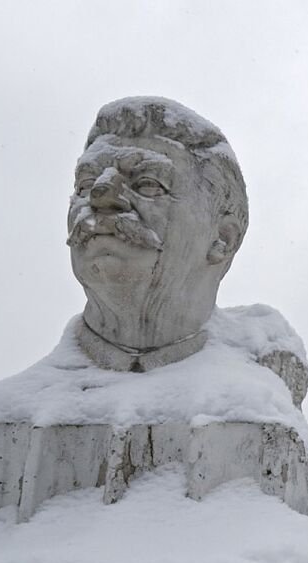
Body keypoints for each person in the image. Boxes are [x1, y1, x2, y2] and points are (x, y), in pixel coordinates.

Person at [68, 97, 249, 371]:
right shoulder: (11, 409)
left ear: (223, 238)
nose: (100, 196)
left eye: (148, 184)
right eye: (86, 185)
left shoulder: (251, 395)